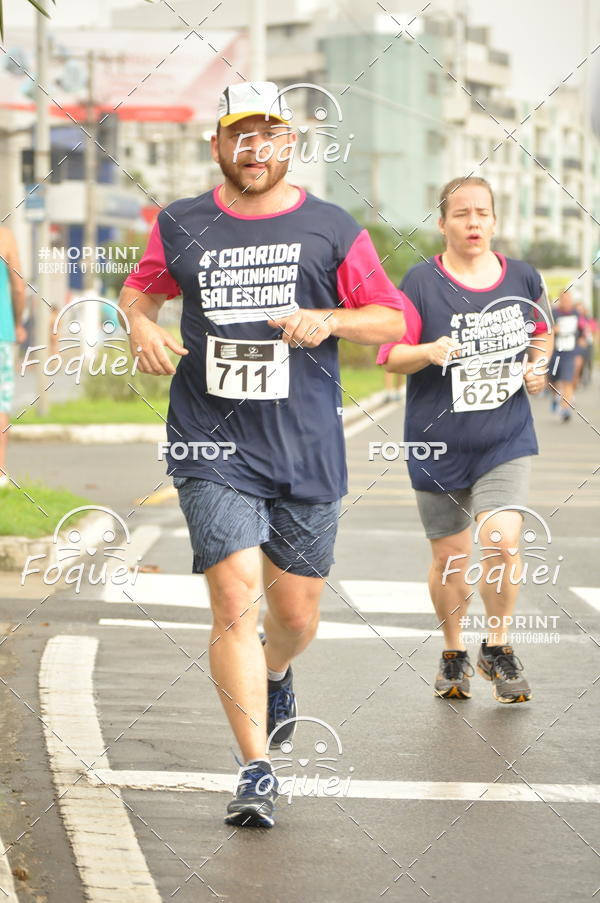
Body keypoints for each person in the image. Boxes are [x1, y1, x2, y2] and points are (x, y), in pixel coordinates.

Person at [120, 81, 406, 828]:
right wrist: (140, 325)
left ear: (289, 145)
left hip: (305, 445)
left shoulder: (331, 226)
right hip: (211, 440)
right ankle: (256, 769)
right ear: (218, 146)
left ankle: (278, 669)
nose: (255, 149)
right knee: (232, 598)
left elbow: (391, 320)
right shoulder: (180, 222)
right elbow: (139, 293)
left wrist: (328, 317)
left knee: (296, 612)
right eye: (240, 135)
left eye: (269, 134)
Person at [378, 176, 553, 705]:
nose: (473, 222)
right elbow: (389, 354)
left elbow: (541, 333)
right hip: (437, 442)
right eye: (461, 214)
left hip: (505, 437)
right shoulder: (419, 281)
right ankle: (454, 650)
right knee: (451, 559)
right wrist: (427, 351)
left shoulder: (523, 277)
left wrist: (538, 367)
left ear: (495, 221)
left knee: (502, 540)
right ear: (443, 224)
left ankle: (497, 646)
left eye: (482, 213)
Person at [0, 227, 26, 489]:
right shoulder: (5, 236)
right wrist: (18, 322)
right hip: (1, 332)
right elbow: (19, 288)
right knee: (0, 404)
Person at [549, 290, 581, 422]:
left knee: (567, 381)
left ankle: (565, 410)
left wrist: (583, 340)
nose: (567, 302)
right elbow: (545, 330)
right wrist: (553, 330)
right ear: (560, 300)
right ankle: (556, 396)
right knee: (551, 380)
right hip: (555, 353)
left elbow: (583, 329)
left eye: (569, 299)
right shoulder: (553, 313)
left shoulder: (576, 314)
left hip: (570, 352)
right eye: (564, 299)